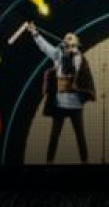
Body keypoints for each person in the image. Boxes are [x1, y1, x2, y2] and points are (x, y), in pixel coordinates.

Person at [27, 23, 95, 163]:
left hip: (75, 105)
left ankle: (85, 162)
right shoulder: (58, 55)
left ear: (75, 43)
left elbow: (78, 72)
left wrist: (73, 52)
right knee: (54, 136)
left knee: (80, 136)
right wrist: (35, 33)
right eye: (66, 38)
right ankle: (49, 162)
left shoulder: (79, 58)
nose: (67, 39)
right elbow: (45, 47)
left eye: (70, 38)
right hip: (60, 104)